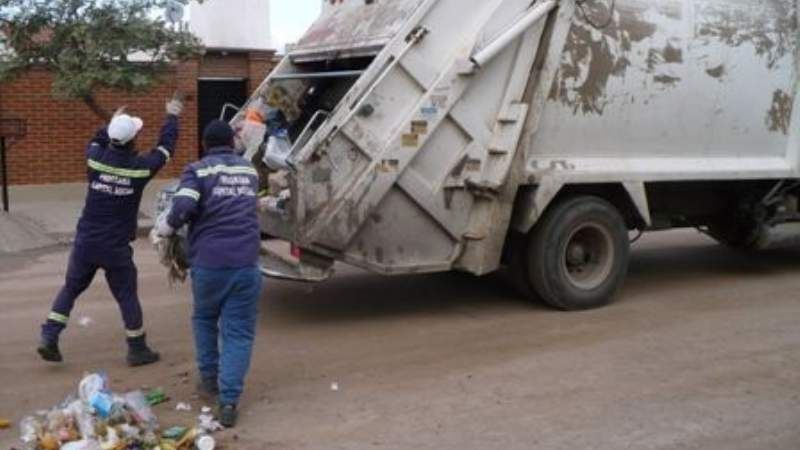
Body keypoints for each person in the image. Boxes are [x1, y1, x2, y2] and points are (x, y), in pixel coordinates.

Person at [38, 97, 184, 366]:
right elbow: (165, 149)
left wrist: (112, 122)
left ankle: (49, 335)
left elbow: (97, 140)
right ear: (133, 140)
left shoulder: (95, 160)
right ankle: (137, 348)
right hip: (115, 246)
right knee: (126, 295)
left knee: (71, 288)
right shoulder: (140, 169)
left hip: (86, 240)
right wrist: (172, 117)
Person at [154, 120, 263, 428]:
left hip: (209, 263)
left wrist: (166, 227)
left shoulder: (197, 170)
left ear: (204, 144)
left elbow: (183, 207)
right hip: (246, 262)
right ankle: (229, 401)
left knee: (204, 319)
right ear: (232, 143)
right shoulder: (249, 170)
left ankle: (209, 380)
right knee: (238, 332)